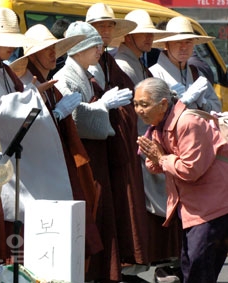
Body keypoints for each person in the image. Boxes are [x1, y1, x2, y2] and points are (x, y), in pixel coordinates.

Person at [0, 9, 103, 276]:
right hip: (18, 169)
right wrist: (39, 103)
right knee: (24, 238)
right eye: (47, 50)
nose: (53, 55)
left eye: (55, 49)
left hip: (37, 166)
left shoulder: (4, 71)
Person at [52, 21, 126, 282]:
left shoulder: (85, 73)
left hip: (96, 154)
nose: (100, 50)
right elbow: (72, 119)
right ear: (80, 48)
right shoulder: (65, 77)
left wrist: (100, 105)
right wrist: (101, 106)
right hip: (83, 156)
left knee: (101, 213)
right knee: (91, 212)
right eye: (95, 45)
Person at [135, 77, 228, 283]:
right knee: (190, 267)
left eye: (144, 104)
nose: (139, 110)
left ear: (163, 104)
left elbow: (190, 170)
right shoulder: (158, 125)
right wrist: (155, 158)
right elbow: (156, 166)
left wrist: (160, 158)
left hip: (212, 207)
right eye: (135, 104)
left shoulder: (188, 122)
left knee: (198, 269)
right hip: (192, 208)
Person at [115, 9, 183, 280]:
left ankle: (161, 259)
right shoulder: (124, 64)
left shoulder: (136, 61)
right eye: (145, 33)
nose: (150, 37)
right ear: (130, 36)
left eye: (152, 33)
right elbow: (139, 110)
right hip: (143, 141)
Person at [85, 4, 150, 279]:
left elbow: (129, 95)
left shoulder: (108, 62)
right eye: (101, 26)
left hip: (115, 146)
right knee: (98, 207)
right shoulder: (82, 63)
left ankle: (115, 267)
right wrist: (103, 104)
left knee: (118, 206)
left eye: (110, 26)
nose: (106, 31)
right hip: (95, 149)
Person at [150, 16, 221, 114]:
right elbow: (151, 113)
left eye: (188, 42)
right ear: (166, 45)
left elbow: (217, 107)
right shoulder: (154, 74)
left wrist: (203, 103)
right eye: (178, 42)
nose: (183, 47)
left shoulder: (196, 73)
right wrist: (181, 101)